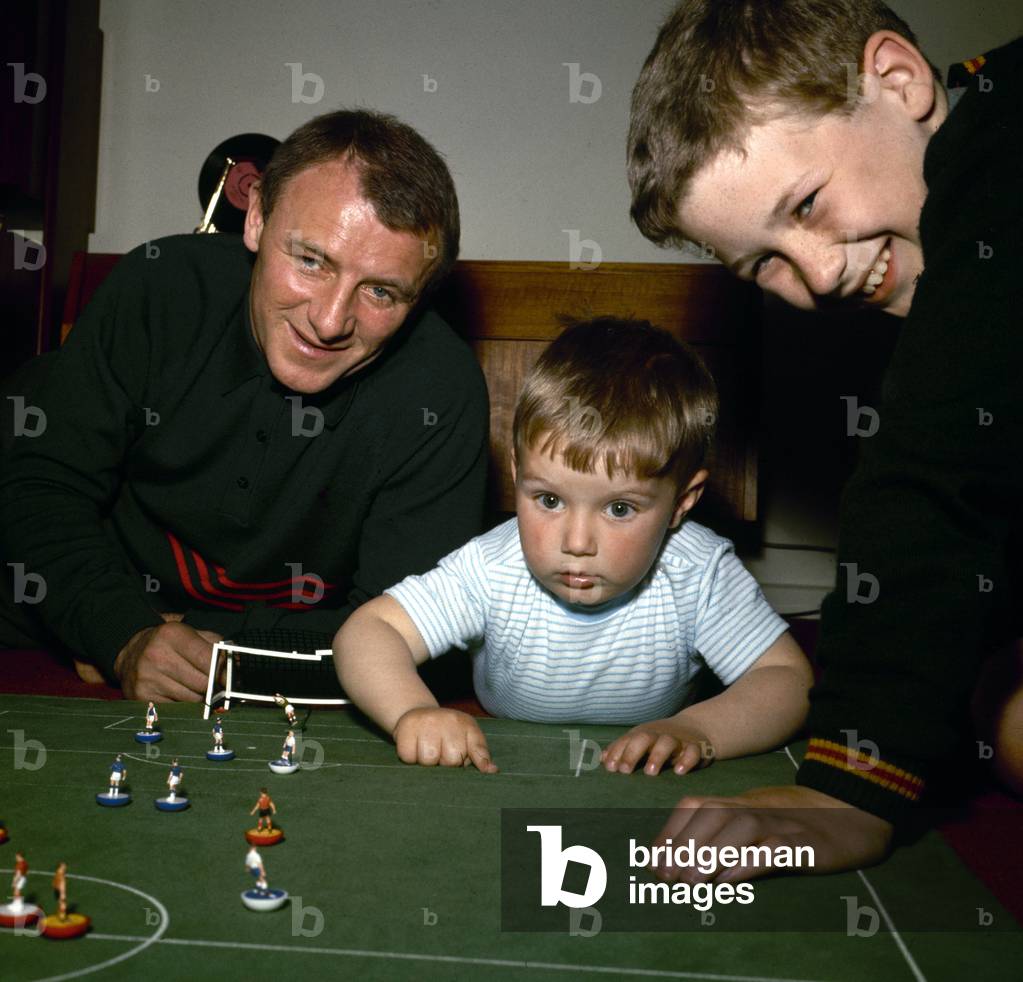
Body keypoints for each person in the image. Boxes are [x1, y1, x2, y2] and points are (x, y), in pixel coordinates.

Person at [627, 0, 1022, 878]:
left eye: (806, 203)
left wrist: (852, 782)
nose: (816, 274)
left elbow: (934, 471)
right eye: (761, 262)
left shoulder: (1000, 148)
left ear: (898, 80)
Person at [0, 109, 489, 704]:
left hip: (290, 668)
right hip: (62, 621)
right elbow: (43, 487)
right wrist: (122, 632)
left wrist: (204, 645)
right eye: (311, 260)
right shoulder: (159, 289)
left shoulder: (442, 387)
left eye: (380, 291)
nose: (329, 321)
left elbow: (412, 627)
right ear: (256, 217)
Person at [334, 318, 812, 771]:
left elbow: (787, 680)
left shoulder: (699, 572)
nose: (576, 542)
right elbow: (368, 632)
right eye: (549, 499)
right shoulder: (492, 566)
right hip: (505, 755)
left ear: (681, 503)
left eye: (620, 509)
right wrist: (412, 710)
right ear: (518, 478)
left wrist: (696, 728)